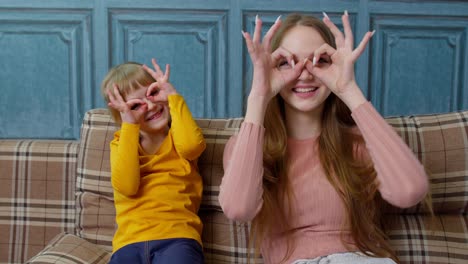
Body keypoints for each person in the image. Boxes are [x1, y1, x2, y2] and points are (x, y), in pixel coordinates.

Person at [218, 12, 429, 264]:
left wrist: (348, 90)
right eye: (287, 62)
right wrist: (259, 97)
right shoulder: (246, 147)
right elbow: (238, 209)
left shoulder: (358, 142)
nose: (305, 74)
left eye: (319, 61)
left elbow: (409, 191)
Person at [101, 59, 206, 263]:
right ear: (124, 115)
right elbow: (127, 186)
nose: (150, 106)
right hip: (129, 243)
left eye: (153, 94)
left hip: (177, 237)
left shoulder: (180, 136)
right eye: (136, 105)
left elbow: (193, 147)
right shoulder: (120, 144)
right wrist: (129, 126)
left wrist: (173, 97)